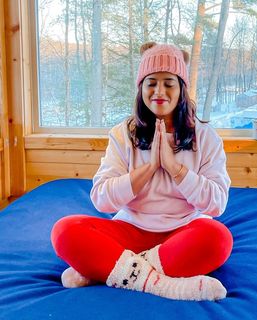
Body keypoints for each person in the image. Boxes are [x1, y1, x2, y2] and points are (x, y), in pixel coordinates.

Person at [51, 42, 233, 301]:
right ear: (141, 88)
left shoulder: (205, 137)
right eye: (151, 83)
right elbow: (101, 199)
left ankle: (113, 269)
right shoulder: (123, 133)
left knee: (218, 238)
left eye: (169, 82)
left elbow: (216, 204)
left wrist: (174, 167)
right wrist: (149, 168)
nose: (160, 91)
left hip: (183, 231)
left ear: (181, 89)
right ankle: (163, 285)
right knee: (64, 231)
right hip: (129, 230)